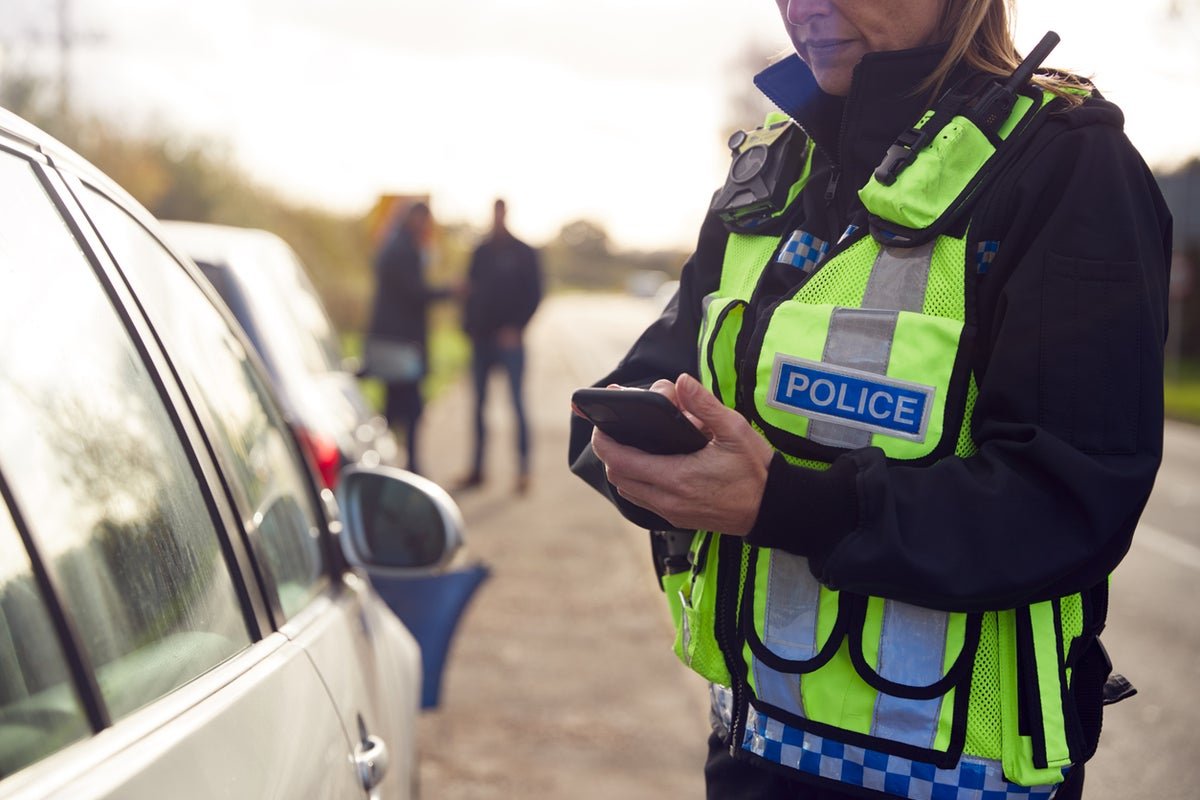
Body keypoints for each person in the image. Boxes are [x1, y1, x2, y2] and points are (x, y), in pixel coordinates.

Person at [568, 0, 1171, 798]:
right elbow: (658, 370)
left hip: (968, 782)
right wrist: (643, 456)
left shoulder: (1067, 167)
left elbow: (1069, 500)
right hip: (752, 755)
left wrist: (786, 503)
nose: (804, 5)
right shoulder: (773, 162)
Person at [460, 198, 543, 494]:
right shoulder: (480, 251)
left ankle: (523, 471)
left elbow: (535, 295)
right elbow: (468, 290)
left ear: (506, 213)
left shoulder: (524, 252)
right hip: (481, 340)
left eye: (500, 212)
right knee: (478, 406)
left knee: (517, 405)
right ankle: (478, 469)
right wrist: (467, 328)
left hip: (510, 342)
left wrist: (517, 328)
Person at [364, 201, 450, 474]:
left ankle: (388, 465)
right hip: (401, 344)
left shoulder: (394, 246)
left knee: (395, 405)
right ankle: (406, 466)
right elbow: (416, 293)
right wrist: (450, 291)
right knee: (408, 408)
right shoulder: (405, 250)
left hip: (392, 341)